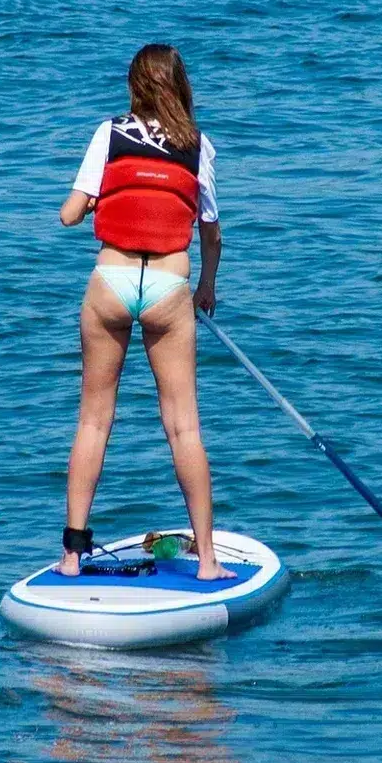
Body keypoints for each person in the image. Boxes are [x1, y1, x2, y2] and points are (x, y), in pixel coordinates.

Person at [55, 44, 231, 579]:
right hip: (167, 288)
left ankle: (70, 557)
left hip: (110, 283)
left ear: (134, 87)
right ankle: (207, 561)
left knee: (93, 420)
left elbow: (67, 216)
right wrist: (206, 287)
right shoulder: (197, 145)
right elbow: (211, 232)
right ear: (180, 86)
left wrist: (91, 202)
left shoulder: (108, 134)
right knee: (183, 428)